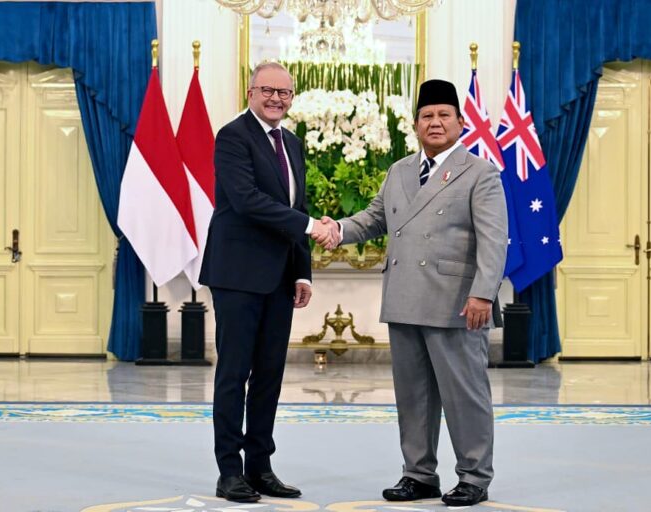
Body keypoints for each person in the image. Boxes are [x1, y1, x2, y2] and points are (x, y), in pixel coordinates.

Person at [318, 79, 507, 506]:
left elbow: (494, 240)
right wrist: (335, 230)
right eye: (427, 116)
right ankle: (419, 475)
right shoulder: (399, 171)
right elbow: (372, 218)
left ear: (460, 122)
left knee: (465, 396)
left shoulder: (481, 173)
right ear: (415, 124)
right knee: (413, 397)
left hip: (457, 302)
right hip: (404, 299)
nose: (435, 122)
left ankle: (474, 476)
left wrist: (482, 293)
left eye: (444, 115)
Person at [199, 61, 337, 503]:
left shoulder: (292, 143)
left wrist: (302, 271)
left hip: (279, 278)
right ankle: (229, 472)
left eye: (285, 92)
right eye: (268, 90)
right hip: (238, 275)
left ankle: (260, 467)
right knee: (234, 373)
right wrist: (313, 225)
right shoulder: (232, 137)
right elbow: (248, 201)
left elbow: (296, 205)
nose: (277, 98)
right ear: (250, 91)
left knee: (270, 376)